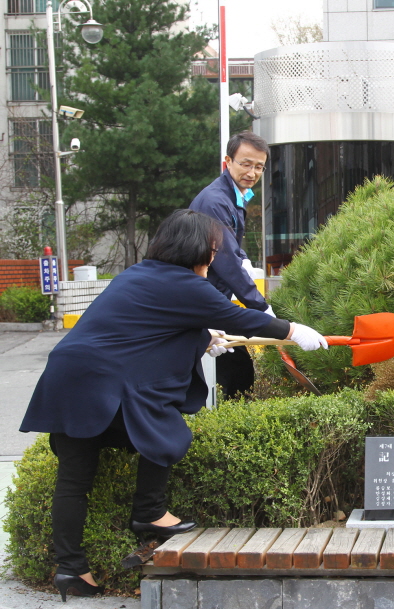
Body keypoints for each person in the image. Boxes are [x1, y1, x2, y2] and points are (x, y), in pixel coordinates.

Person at [19, 210, 327, 601]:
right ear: (199, 249)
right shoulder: (185, 285)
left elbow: (147, 332)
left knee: (74, 482)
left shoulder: (137, 274)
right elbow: (238, 317)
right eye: (214, 250)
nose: (214, 257)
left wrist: (203, 338)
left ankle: (71, 570)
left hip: (65, 378)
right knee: (164, 427)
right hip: (99, 382)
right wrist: (293, 330)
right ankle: (148, 510)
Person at [189, 131, 271, 398]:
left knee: (234, 368)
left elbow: (229, 243)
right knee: (232, 370)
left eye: (259, 166)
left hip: (212, 297)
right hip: (201, 298)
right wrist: (262, 308)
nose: (252, 172)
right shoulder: (215, 201)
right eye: (245, 163)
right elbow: (225, 261)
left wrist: (243, 257)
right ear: (228, 162)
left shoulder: (234, 196)